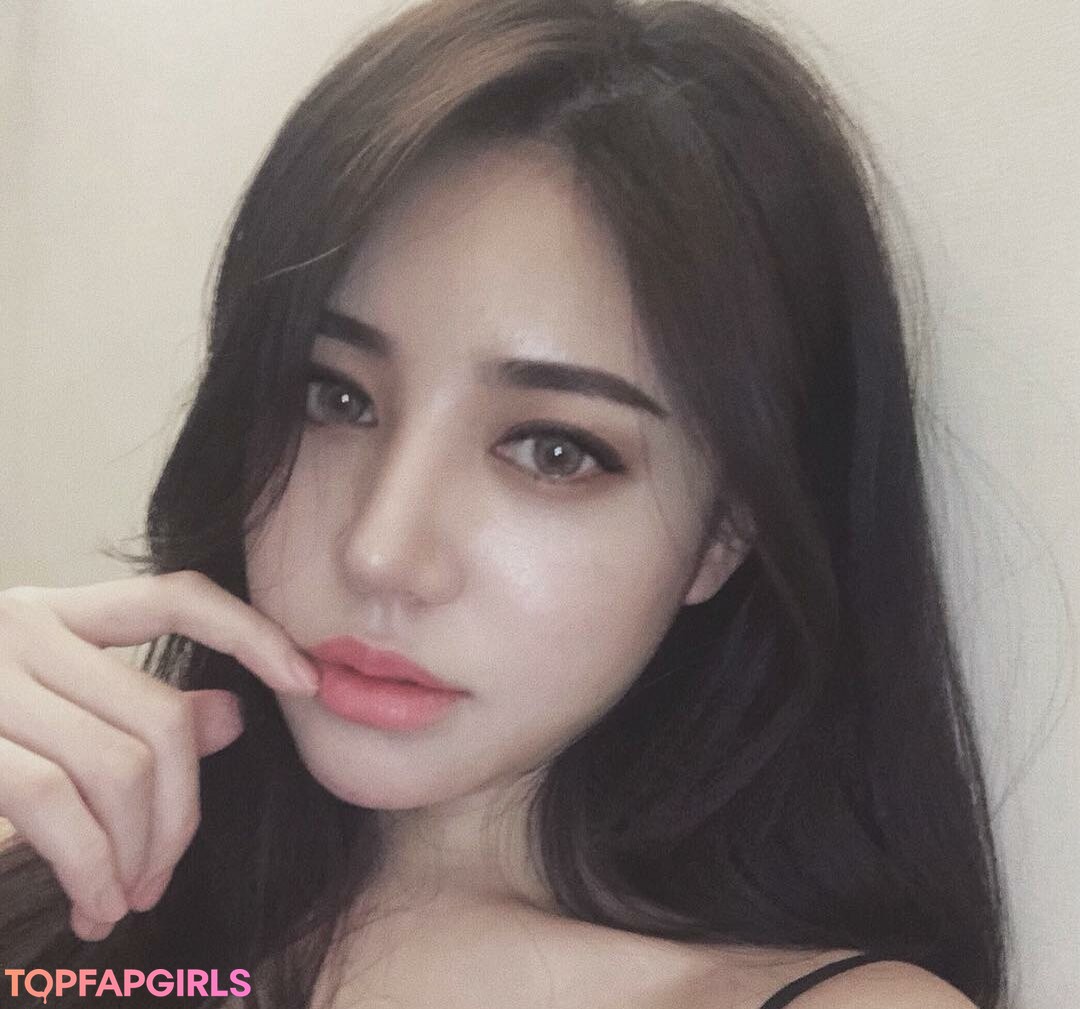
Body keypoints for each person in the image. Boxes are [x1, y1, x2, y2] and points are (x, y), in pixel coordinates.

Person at [0, 0, 1008, 1006]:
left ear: (725, 531)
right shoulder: (70, 878)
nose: (381, 551)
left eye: (554, 450)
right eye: (334, 396)